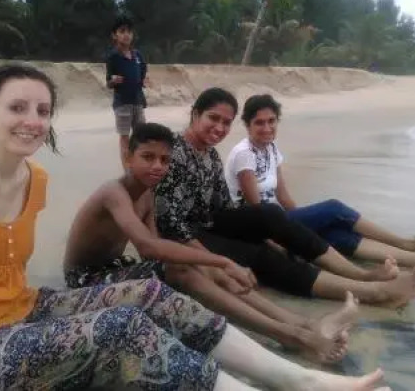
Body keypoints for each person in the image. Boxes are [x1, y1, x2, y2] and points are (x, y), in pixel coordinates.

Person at [0, 64, 390, 391]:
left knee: (151, 295)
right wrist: (216, 258)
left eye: (42, 110)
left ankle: (297, 378)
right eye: (16, 107)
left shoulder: (34, 178)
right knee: (121, 329)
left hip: (18, 311)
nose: (33, 120)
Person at [63, 121, 359, 365]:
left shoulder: (148, 193)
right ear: (128, 157)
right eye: (148, 157)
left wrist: (215, 269)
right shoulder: (114, 192)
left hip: (116, 268)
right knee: (186, 270)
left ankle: (302, 324)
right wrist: (223, 261)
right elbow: (148, 247)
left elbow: (152, 249)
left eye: (164, 160)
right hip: (86, 279)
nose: (157, 166)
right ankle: (291, 336)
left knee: (197, 267)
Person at [154, 87, 415, 309]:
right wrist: (219, 261)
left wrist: (267, 233)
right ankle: (372, 292)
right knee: (259, 255)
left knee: (271, 214)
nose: (219, 127)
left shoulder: (210, 155)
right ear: (196, 114)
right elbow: (169, 224)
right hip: (185, 238)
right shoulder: (173, 153)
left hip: (211, 223)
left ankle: (361, 275)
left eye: (226, 122)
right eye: (213, 118)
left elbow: (224, 207)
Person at [225, 94, 415, 276]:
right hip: (257, 226)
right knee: (334, 209)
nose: (267, 128)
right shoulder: (244, 154)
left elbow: (284, 197)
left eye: (271, 121)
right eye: (259, 123)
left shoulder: (271, 149)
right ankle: (406, 243)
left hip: (278, 219)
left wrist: (305, 224)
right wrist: (280, 243)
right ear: (247, 125)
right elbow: (257, 211)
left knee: (336, 233)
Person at [105, 13, 149, 168]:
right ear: (114, 35)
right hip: (122, 103)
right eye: (122, 31)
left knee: (141, 136)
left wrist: (144, 81)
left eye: (129, 31)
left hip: (138, 101)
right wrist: (113, 80)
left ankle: (139, 166)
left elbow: (143, 73)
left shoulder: (138, 55)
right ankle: (127, 171)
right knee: (125, 138)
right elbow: (108, 83)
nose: (126, 35)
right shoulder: (113, 57)